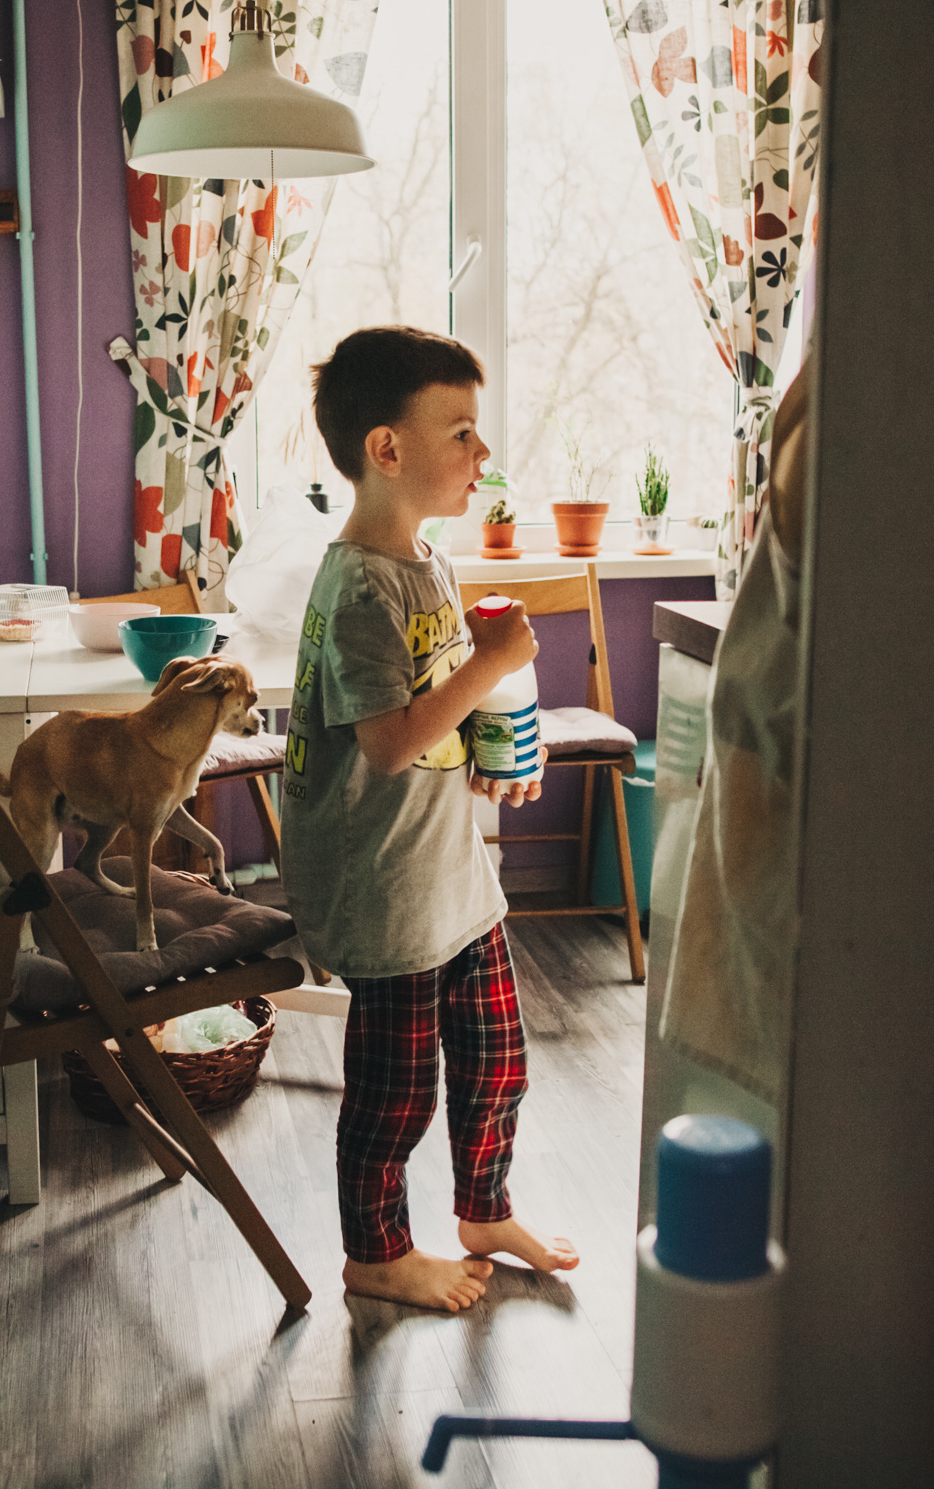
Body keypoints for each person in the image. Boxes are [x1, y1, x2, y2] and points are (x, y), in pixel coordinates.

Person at [280, 325, 581, 1313]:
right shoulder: (362, 584)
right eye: (459, 432)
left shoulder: (425, 564)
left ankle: (485, 1206)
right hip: (387, 885)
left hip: (449, 868)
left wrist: (497, 751)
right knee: (395, 1091)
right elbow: (387, 744)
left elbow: (442, 710)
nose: (480, 456)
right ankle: (375, 1252)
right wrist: (492, 665)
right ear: (387, 449)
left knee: (498, 1056)